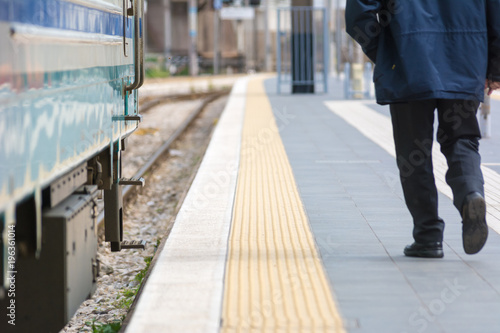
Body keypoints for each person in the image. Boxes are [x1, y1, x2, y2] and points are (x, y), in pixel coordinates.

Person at [345, 0, 500, 258]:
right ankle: (470, 193)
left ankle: (428, 236)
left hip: (408, 60)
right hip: (466, 59)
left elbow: (358, 14)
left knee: (413, 150)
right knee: (462, 139)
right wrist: (494, 66)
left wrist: (385, 51)